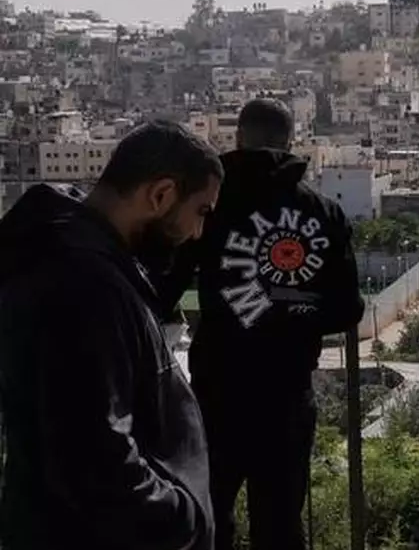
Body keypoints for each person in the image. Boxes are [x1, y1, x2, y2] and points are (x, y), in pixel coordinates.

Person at [0, 121, 223, 550]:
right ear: (161, 194)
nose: (197, 233)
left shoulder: (88, 264)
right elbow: (92, 458)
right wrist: (180, 518)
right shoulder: (82, 284)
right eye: (201, 212)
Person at [158, 98, 364, 550]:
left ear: (237, 139)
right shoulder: (324, 213)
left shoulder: (209, 206)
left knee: (208, 518)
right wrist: (294, 315)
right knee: (282, 526)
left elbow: (165, 287)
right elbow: (348, 308)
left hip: (217, 390)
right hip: (288, 395)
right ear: (291, 143)